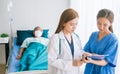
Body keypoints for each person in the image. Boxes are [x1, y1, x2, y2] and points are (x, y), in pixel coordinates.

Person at [48, 8, 84, 74]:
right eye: (71, 24)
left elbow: (78, 53)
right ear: (64, 23)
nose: (74, 27)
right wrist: (72, 63)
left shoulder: (76, 37)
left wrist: (84, 55)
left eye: (76, 24)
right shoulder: (55, 38)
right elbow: (51, 60)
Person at [82, 9, 118, 74]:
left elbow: (105, 61)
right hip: (90, 70)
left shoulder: (113, 40)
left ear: (110, 24)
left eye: (105, 25)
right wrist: (85, 56)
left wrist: (91, 60)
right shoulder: (93, 35)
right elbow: (86, 50)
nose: (101, 27)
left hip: (104, 71)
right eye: (99, 23)